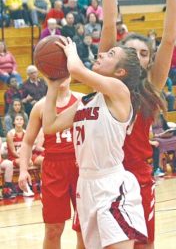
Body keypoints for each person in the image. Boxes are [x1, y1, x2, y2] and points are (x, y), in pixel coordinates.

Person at [99, 0, 176, 248]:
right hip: (102, 176)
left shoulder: (151, 88)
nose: (138, 56)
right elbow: (108, 27)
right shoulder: (107, 83)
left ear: (148, 62)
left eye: (144, 53)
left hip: (137, 176)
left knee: (144, 245)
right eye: (131, 51)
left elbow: (170, 40)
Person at [42, 36, 148, 249]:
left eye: (110, 55)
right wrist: (53, 85)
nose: (101, 54)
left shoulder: (120, 92)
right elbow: (50, 126)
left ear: (120, 72)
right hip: (85, 185)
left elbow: (78, 70)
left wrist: (71, 50)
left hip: (111, 185)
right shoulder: (86, 100)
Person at [18, 77, 85, 249]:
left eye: (63, 72)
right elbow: (27, 142)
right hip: (53, 168)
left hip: (82, 167)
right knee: (53, 229)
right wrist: (24, 170)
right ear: (47, 76)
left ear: (70, 74)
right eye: (55, 73)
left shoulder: (83, 100)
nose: (60, 77)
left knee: (85, 227)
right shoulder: (40, 106)